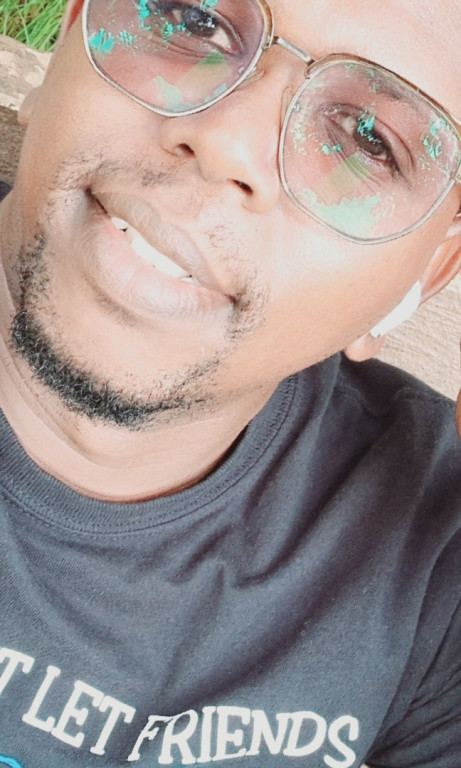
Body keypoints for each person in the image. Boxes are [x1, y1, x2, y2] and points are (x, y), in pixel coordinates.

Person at [0, 0, 460, 766]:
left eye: (366, 140)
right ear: (75, 23)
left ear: (426, 274)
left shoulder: (435, 572)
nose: (225, 142)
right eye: (195, 19)